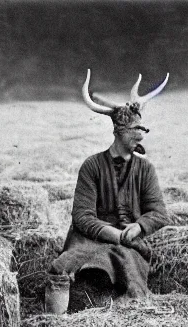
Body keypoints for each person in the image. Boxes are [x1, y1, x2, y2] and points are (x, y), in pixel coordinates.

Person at [45, 70, 171, 314]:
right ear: (118, 132)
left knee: (129, 268)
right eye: (135, 129)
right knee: (64, 266)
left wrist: (139, 227)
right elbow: (82, 216)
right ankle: (59, 317)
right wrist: (112, 233)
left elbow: (159, 212)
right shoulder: (92, 166)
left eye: (142, 129)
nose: (140, 135)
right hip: (88, 240)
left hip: (129, 242)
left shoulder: (145, 169)